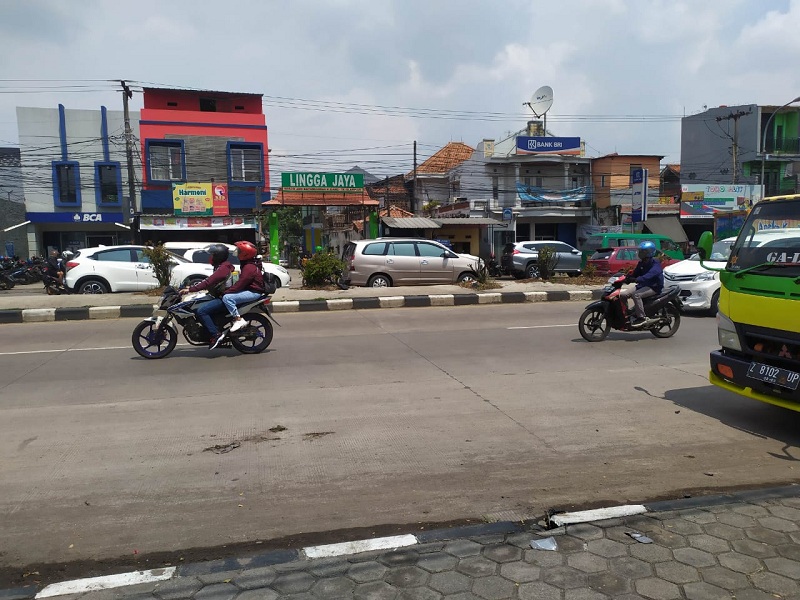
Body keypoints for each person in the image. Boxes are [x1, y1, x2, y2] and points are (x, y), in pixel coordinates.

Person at [179, 244, 235, 349]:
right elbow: (209, 281)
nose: (211, 257)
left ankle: (215, 335)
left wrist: (190, 289)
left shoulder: (223, 268)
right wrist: (189, 286)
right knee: (195, 305)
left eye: (213, 255)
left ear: (218, 256)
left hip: (224, 298)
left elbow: (208, 282)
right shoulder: (221, 266)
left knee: (202, 311)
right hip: (219, 296)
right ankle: (209, 329)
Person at [221, 240, 264, 333]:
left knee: (227, 298)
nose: (237, 252)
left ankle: (238, 320)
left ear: (245, 254)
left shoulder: (249, 267)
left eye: (239, 251)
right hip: (250, 290)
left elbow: (240, 284)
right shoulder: (248, 265)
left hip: (253, 292)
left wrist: (226, 292)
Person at [620, 240, 663, 327]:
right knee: (623, 295)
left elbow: (649, 275)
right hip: (643, 285)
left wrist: (637, 279)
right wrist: (627, 277)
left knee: (636, 295)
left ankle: (642, 318)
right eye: (640, 251)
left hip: (653, 287)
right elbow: (635, 273)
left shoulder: (655, 264)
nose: (639, 253)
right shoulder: (642, 263)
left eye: (642, 252)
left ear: (648, 253)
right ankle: (627, 314)